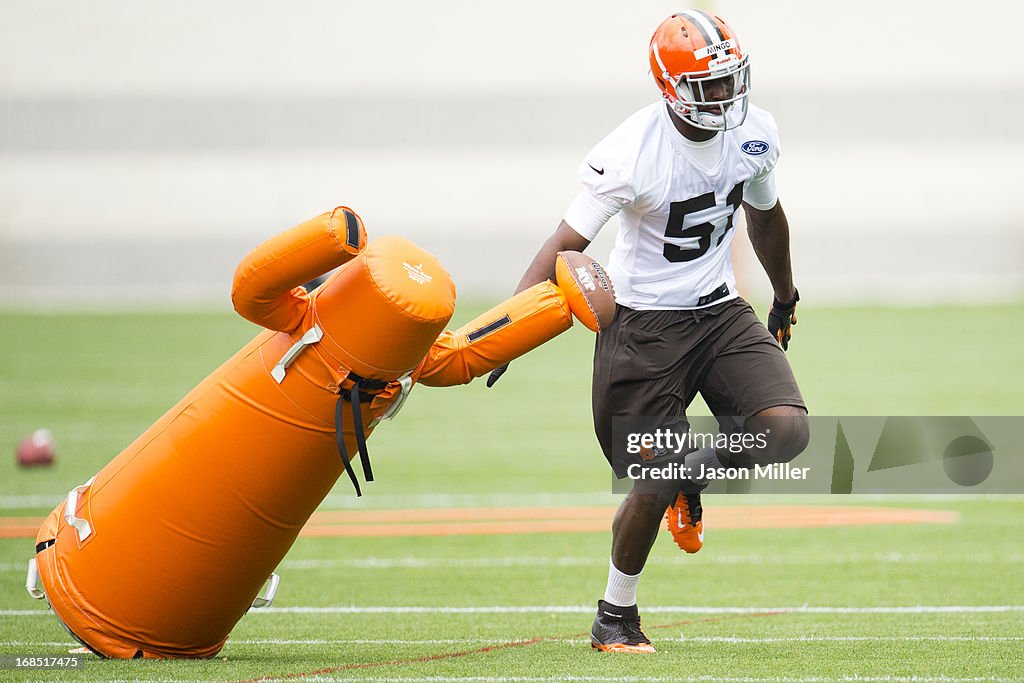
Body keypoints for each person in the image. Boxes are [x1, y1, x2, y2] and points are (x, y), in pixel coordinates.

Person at [488, 10, 809, 653]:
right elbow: (565, 243)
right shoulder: (631, 151)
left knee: (788, 430)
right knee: (652, 475)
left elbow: (766, 216)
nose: (724, 97)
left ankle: (687, 473)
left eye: (730, 81)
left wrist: (783, 293)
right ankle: (615, 613)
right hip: (642, 328)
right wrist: (506, 332)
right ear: (670, 88)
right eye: (707, 86)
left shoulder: (755, 132)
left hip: (718, 313)